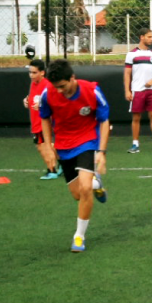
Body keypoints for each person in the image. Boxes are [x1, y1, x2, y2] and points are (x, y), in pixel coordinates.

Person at [39, 59, 110, 252]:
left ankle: (79, 236)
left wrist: (102, 152)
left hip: (88, 141)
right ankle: (97, 184)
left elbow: (104, 121)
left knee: (84, 188)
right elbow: (44, 117)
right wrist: (48, 145)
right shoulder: (48, 94)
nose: (59, 91)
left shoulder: (92, 91)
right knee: (78, 194)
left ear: (72, 78)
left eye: (62, 86)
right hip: (63, 145)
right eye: (56, 87)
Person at [124, 28, 152, 154]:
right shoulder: (132, 54)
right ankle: (135, 144)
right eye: (149, 37)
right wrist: (127, 90)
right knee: (136, 117)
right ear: (142, 37)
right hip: (137, 90)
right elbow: (127, 74)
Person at [23, 59, 62, 180]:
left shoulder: (47, 84)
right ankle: (65, 162)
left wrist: (41, 105)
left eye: (34, 73)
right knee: (47, 145)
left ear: (42, 73)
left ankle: (52, 170)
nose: (31, 75)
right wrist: (27, 100)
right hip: (35, 121)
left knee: (42, 146)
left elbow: (55, 100)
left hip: (43, 122)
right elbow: (35, 97)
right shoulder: (34, 83)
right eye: (30, 72)